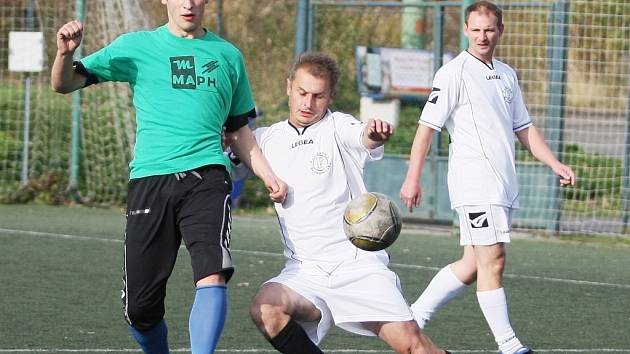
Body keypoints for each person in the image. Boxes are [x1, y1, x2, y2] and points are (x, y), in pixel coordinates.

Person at [51, 1, 287, 353]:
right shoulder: (136, 47)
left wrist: (268, 174)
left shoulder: (228, 56)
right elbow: (64, 84)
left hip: (207, 176)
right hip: (150, 180)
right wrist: (64, 54)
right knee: (140, 310)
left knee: (213, 271)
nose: (188, 4)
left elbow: (238, 129)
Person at [230, 52, 449, 354]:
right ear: (288, 87)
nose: (308, 103)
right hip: (304, 272)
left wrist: (373, 134)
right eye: (302, 93)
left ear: (331, 95)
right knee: (265, 309)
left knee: (414, 348)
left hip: (356, 267)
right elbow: (225, 161)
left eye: (318, 96)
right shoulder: (264, 140)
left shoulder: (337, 126)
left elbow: (363, 136)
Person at [399, 2, 576, 354]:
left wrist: (554, 163)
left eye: (490, 29)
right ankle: (509, 345)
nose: (483, 36)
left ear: (500, 31)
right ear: (466, 30)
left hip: (502, 184)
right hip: (475, 183)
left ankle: (413, 317)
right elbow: (426, 128)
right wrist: (412, 178)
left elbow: (523, 128)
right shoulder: (453, 73)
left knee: (472, 265)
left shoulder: (507, 74)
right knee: (493, 260)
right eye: (476, 29)